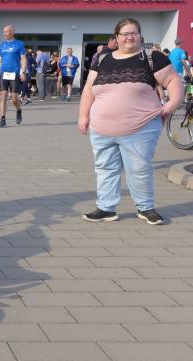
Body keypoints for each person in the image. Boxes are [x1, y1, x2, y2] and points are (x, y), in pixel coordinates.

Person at [78, 17, 183, 225]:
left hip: (140, 128)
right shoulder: (102, 59)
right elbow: (89, 89)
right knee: (105, 168)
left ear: (140, 36)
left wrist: (170, 106)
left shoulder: (152, 57)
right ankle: (106, 208)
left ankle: (145, 208)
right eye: (125, 34)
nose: (129, 37)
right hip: (101, 129)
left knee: (139, 169)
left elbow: (173, 81)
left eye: (134, 33)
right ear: (116, 37)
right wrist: (83, 115)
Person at [0, 25, 27, 127]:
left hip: (14, 73)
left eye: (7, 32)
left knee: (14, 98)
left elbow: (23, 59)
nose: (4, 34)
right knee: (3, 95)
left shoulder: (19, 44)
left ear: (12, 32)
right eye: (4, 32)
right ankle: (3, 119)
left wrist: (23, 72)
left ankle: (18, 110)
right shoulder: (2, 45)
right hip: (3, 73)